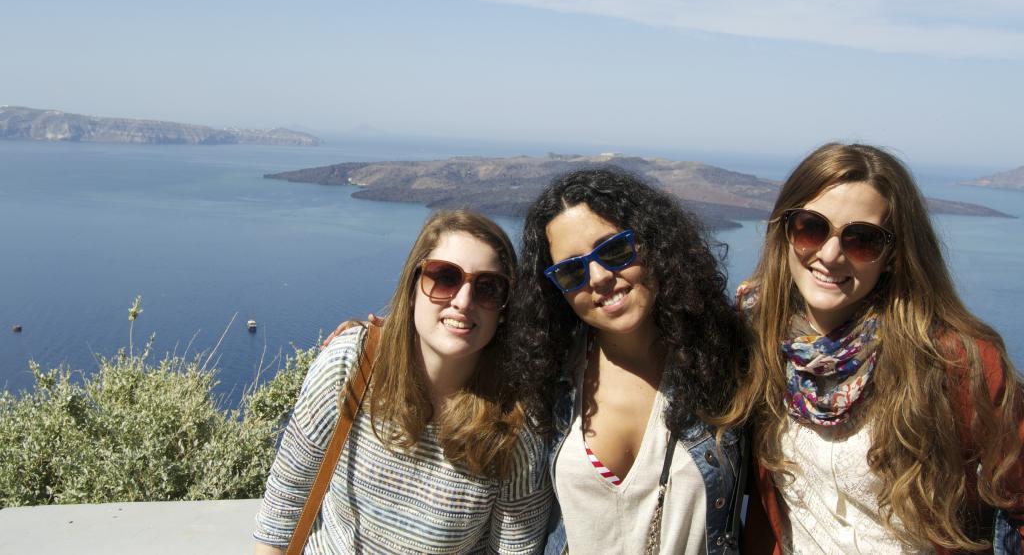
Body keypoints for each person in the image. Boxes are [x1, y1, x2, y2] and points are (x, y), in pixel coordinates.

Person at [719, 143, 1024, 553]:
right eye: (811, 227)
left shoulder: (956, 361)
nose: (830, 255)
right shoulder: (756, 335)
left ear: (893, 255)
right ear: (785, 231)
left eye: (861, 239)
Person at [254, 210, 551, 554]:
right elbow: (286, 499)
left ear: (503, 310)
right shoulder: (351, 364)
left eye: (488, 288)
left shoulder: (514, 427)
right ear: (413, 287)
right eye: (445, 278)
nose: (463, 301)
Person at [505, 168, 748, 554]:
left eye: (615, 250)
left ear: (653, 243)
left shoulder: (726, 358)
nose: (599, 277)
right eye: (571, 271)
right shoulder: (551, 373)